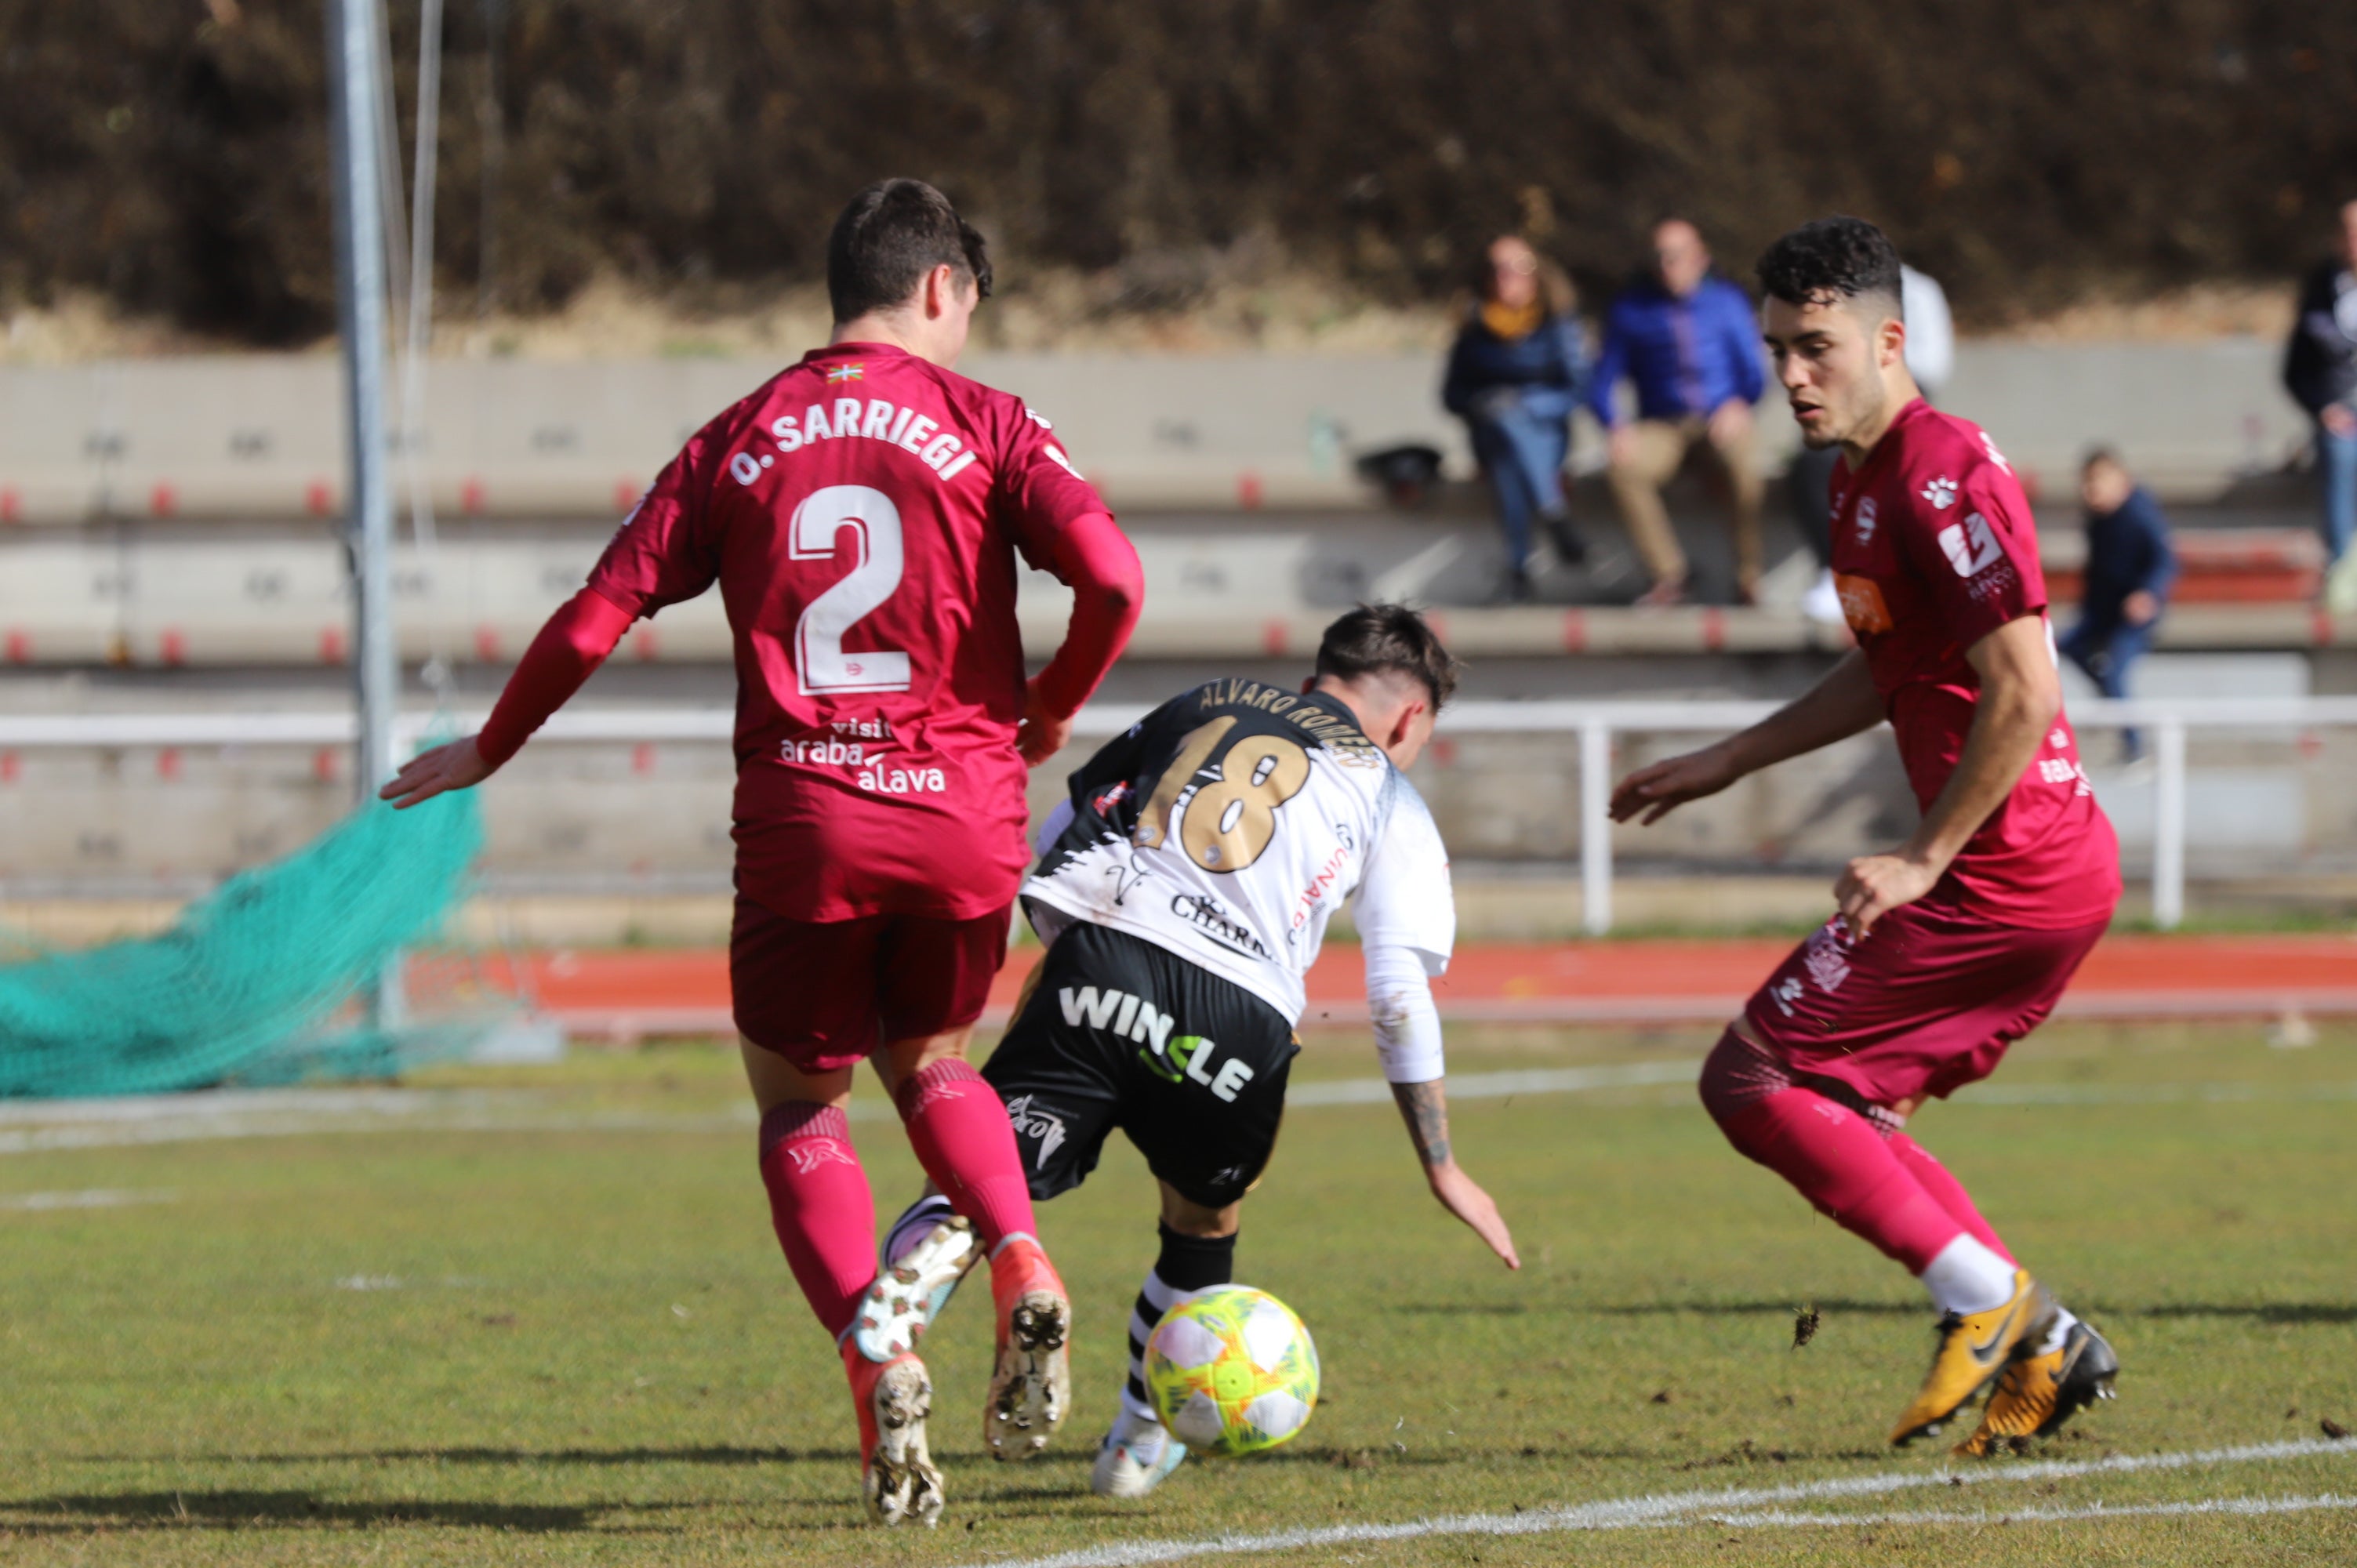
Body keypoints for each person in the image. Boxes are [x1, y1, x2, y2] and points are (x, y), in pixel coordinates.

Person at [378, 179, 1145, 1526]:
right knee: (934, 1062)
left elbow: (591, 616)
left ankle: (881, 1358)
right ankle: (1020, 1256)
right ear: (941, 290)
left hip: (807, 820)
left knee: (802, 1107)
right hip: (965, 812)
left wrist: (493, 747)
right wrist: (1053, 708)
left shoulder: (738, 437)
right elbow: (1116, 579)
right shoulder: (993, 425)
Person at [1611, 217, 2123, 1456]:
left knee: (1751, 1078)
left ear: (1889, 341)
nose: (1791, 375)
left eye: (1816, 348)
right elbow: (1892, 670)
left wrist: (1920, 860)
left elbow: (2024, 691)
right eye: (1777, 349)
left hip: (2004, 870)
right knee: (1845, 1105)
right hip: (2025, 867)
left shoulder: (1938, 474)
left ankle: (1990, 1302)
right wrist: (1730, 759)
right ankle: (2046, 1344)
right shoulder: (1859, 480)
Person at [865, 604, 1519, 1501]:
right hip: (1239, 1015)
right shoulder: (1389, 793)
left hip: (1103, 955)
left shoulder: (1202, 701)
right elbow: (1397, 990)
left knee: (981, 1187)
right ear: (1411, 719)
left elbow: (1060, 830)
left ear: (1312, 679)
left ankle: (894, 1344)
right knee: (1205, 1220)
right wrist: (1441, 1163)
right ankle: (1137, 1438)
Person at [1588, 219, 1768, 604]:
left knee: (1745, 466)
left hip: (1719, 419)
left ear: (1700, 258)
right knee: (1622, 468)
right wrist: (1615, 426)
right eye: (1660, 256)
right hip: (1662, 425)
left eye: (1678, 255)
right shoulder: (1631, 309)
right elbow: (1602, 381)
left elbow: (1754, 374)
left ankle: (1748, 576)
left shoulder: (1728, 302)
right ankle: (1670, 576)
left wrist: (1739, 404)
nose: (1668, 265)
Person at [1798, 264, 1954, 624]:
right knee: (1815, 465)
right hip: (1847, 406)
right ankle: (1837, 572)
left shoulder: (1920, 291)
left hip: (1900, 407)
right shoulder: (1830, 291)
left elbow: (1933, 366)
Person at [1441, 237, 1591, 601]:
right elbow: (1451, 396)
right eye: (1497, 268)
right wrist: (1486, 403)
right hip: (1489, 432)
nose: (1507, 276)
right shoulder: (1473, 328)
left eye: (1518, 267)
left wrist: (1526, 405)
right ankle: (1553, 513)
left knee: (1511, 443)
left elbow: (1578, 390)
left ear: (1537, 275)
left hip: (1548, 435)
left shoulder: (1558, 324)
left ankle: (1518, 569)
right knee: (1503, 426)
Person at [2060, 449, 2176, 762]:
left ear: (2119, 481)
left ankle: (2135, 746)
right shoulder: (2097, 520)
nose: (2089, 491)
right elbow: (2098, 572)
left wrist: (2147, 594)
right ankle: (2109, 697)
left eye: (2096, 482)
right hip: (2102, 612)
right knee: (2065, 646)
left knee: (2115, 671)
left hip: (2134, 615)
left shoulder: (2139, 513)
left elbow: (2165, 560)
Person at [2283, 199, 2357, 607]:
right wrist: (2322, 408)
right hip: (2341, 411)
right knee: (2340, 452)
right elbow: (2294, 370)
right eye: (2347, 232)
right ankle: (2344, 568)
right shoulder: (2320, 291)